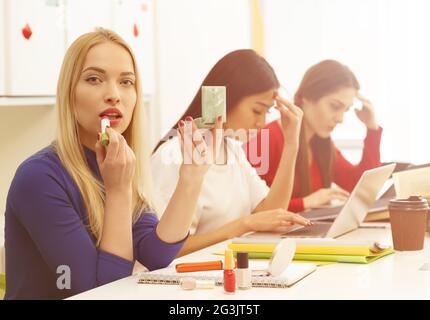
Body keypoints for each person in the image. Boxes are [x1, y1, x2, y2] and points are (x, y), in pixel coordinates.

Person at [4, 28, 209, 299]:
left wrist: (191, 179)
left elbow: (156, 254)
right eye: (94, 79)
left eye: (126, 82)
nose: (114, 94)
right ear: (69, 94)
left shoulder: (116, 164)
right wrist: (118, 192)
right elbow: (98, 292)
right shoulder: (39, 178)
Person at [152, 49, 311, 257]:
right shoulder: (173, 156)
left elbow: (272, 213)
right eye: (257, 110)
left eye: (266, 112)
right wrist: (244, 224)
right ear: (226, 99)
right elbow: (166, 251)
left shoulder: (232, 149)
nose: (261, 123)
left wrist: (291, 143)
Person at [245, 60, 382, 212]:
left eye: (346, 110)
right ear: (308, 97)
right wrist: (306, 202)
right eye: (335, 106)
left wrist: (372, 128)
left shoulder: (320, 143)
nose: (340, 119)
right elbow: (251, 207)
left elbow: (359, 187)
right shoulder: (266, 139)